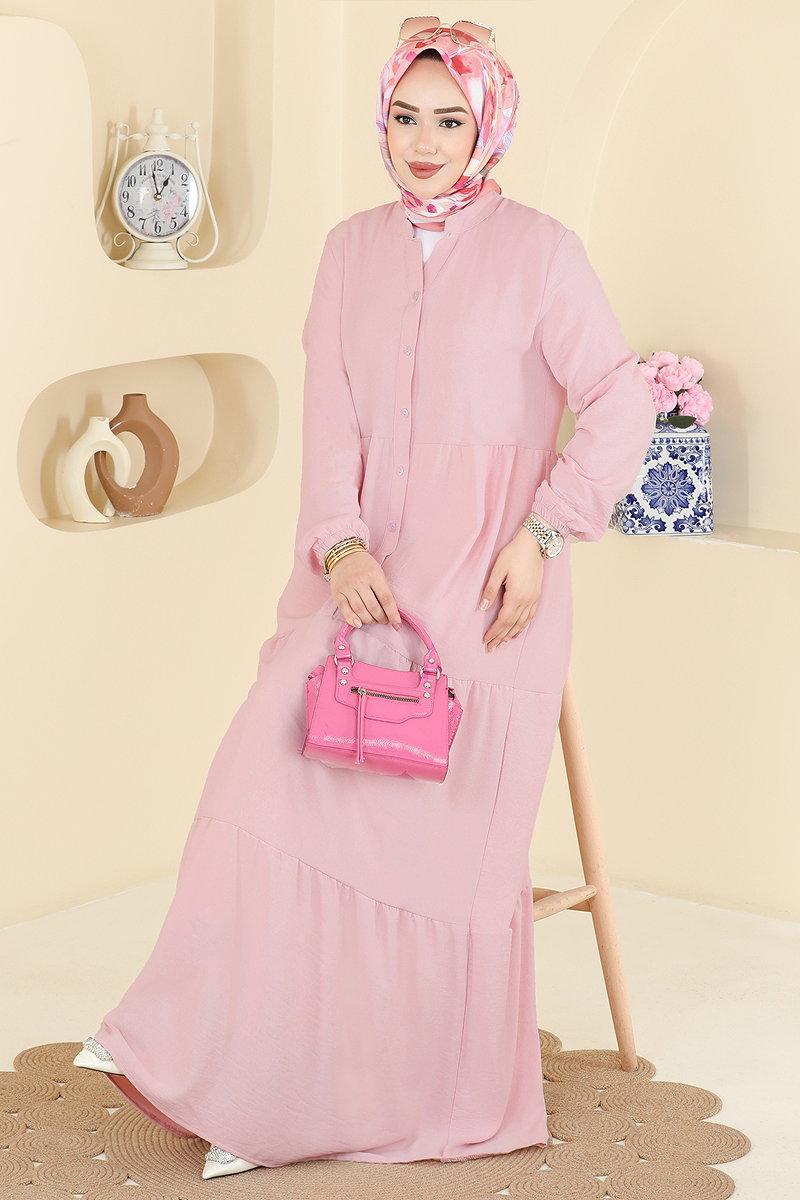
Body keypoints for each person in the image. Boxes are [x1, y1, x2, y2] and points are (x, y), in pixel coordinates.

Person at [73, 16, 656, 1180]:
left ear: (486, 128)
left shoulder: (541, 252)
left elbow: (618, 397)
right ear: (379, 121)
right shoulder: (348, 250)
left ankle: (388, 1092)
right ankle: (235, 1074)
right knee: (259, 769)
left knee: (424, 838)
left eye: (449, 120)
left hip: (488, 588)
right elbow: (330, 419)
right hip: (362, 581)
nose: (423, 141)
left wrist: (541, 533)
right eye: (403, 116)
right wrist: (337, 547)